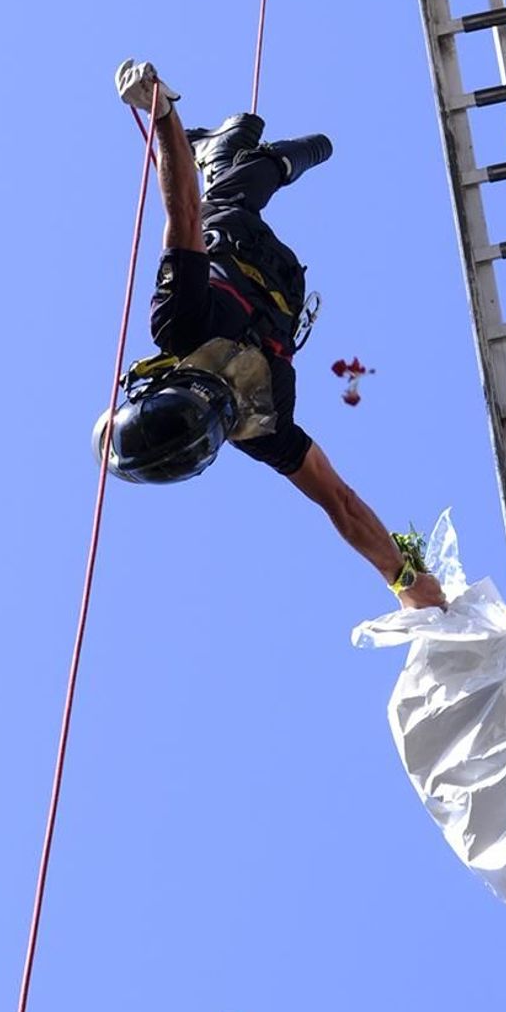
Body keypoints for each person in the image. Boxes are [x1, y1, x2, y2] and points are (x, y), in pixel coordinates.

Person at [100, 63, 446, 611]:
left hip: (231, 229)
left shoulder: (180, 325)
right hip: (279, 278)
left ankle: (224, 152)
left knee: (267, 170)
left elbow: (183, 211)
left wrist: (162, 113)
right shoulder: (262, 428)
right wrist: (405, 579)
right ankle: (226, 151)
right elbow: (340, 503)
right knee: (255, 168)